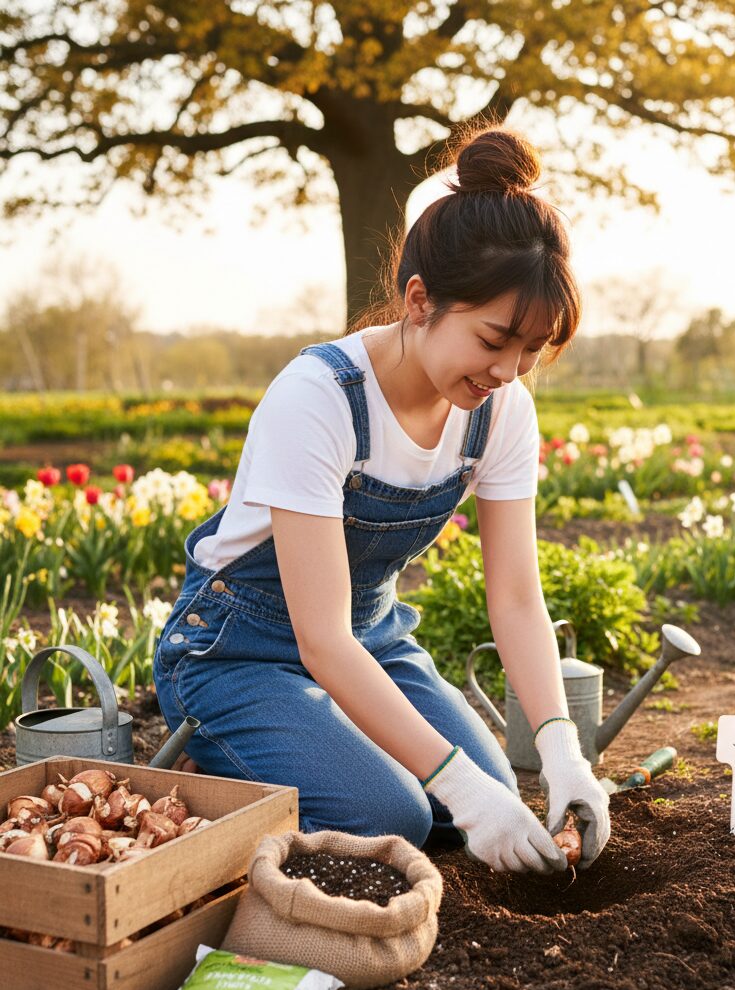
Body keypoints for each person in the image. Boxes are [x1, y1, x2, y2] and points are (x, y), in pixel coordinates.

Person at [153, 126, 611, 874]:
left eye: (532, 348)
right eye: (494, 338)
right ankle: (221, 756)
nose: (509, 368)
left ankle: (320, 746)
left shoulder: (501, 411)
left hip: (371, 641)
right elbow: (319, 638)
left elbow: (519, 601)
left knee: (493, 789)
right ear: (420, 300)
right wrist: (454, 783)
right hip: (237, 650)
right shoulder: (319, 398)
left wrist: (564, 752)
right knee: (391, 811)